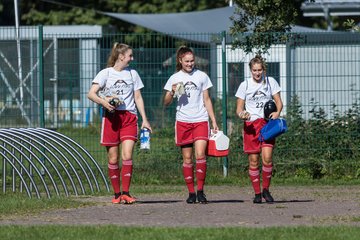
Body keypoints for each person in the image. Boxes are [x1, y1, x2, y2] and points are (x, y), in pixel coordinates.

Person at [88, 43, 152, 204]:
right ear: (121, 56)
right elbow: (91, 94)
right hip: (111, 117)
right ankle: (117, 194)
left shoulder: (133, 74)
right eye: (130, 55)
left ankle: (126, 193)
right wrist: (104, 102)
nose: (132, 58)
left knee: (127, 155)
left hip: (129, 117)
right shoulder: (106, 73)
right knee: (113, 158)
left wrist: (144, 119)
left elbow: (137, 97)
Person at [163, 45, 219, 204]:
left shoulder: (202, 76)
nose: (190, 64)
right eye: (186, 61)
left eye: (192, 61)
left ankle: (201, 191)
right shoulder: (174, 78)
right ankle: (191, 193)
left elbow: (207, 99)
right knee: (187, 159)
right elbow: (166, 102)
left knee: (200, 155)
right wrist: (172, 92)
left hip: (200, 120)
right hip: (183, 121)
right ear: (180, 61)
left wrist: (213, 120)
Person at [235, 55, 283, 204]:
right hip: (251, 126)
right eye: (254, 70)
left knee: (267, 158)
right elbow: (238, 108)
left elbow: (279, 103)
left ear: (263, 69)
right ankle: (257, 193)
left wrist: (277, 112)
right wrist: (242, 114)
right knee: (254, 161)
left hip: (267, 125)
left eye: (259, 70)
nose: (257, 73)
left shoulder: (270, 82)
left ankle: (266, 190)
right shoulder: (245, 85)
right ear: (250, 70)